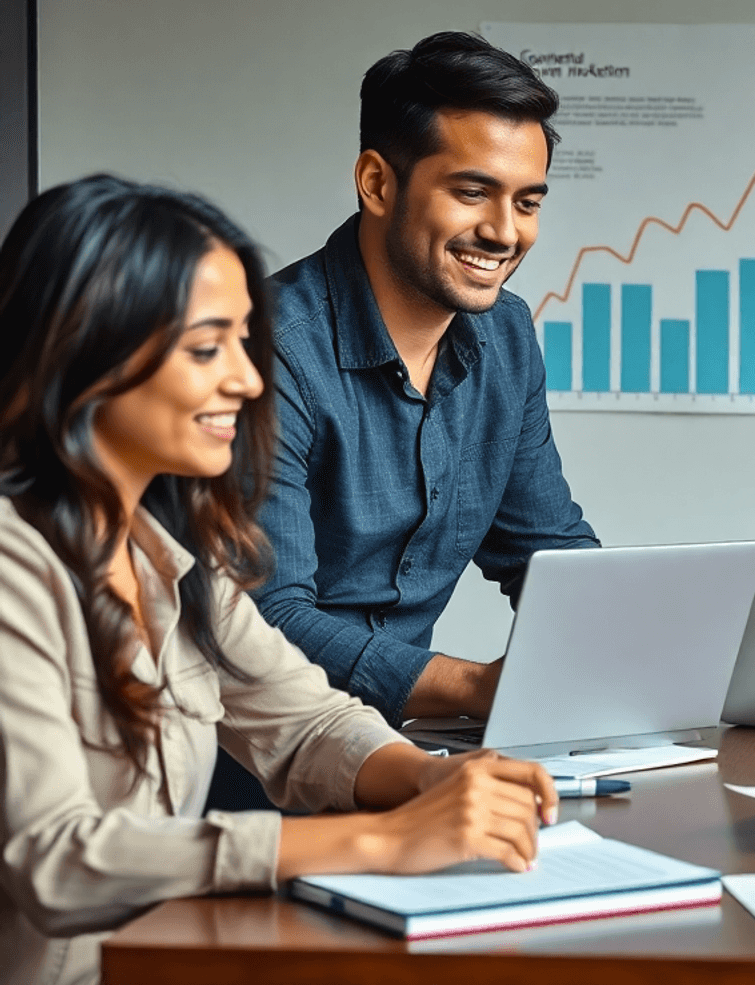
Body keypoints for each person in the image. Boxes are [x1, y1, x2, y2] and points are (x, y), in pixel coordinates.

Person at [0, 176, 559, 985]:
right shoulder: (16, 568)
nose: (248, 380)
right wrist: (382, 840)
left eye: (243, 343)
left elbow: (303, 721)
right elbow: (54, 862)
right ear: (83, 355)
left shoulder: (173, 559)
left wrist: (436, 779)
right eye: (205, 349)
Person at [255, 31, 597, 728]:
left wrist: (691, 653)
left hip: (401, 746)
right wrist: (478, 688)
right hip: (255, 765)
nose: (505, 233)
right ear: (378, 183)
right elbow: (267, 620)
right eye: (474, 192)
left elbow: (547, 555)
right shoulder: (263, 351)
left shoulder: (505, 336)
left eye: (528, 203)